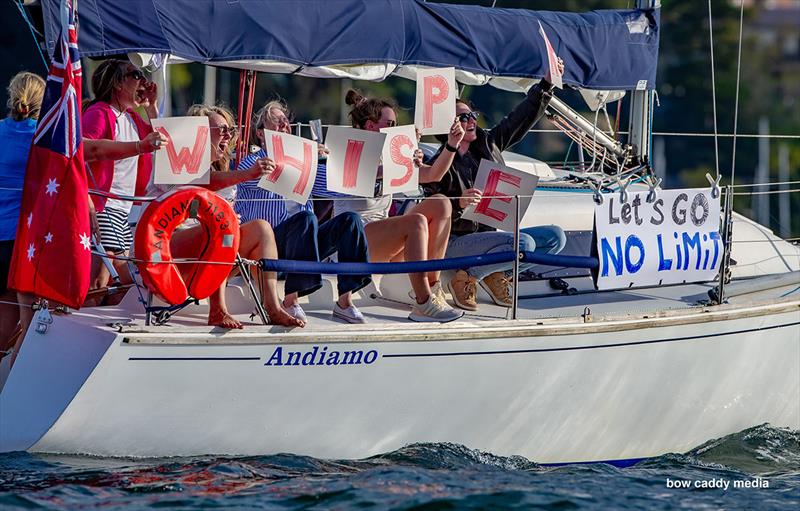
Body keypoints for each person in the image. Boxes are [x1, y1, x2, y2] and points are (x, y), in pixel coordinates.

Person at [425, 72, 567, 311]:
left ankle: (491, 273)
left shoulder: (489, 143)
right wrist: (459, 205)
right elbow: (431, 212)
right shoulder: (439, 162)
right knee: (524, 244)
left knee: (556, 237)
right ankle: (468, 278)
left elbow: (520, 118)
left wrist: (547, 84)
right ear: (448, 126)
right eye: (463, 118)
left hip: (487, 236)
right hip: (455, 241)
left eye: (472, 116)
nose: (471, 122)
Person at [334, 90, 465, 323]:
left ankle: (433, 291)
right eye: (391, 124)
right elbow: (364, 175)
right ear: (371, 126)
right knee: (416, 222)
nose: (396, 128)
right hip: (352, 244)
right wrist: (402, 163)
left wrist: (452, 145)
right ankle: (423, 302)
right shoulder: (348, 152)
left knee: (442, 203)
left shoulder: (389, 158)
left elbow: (434, 174)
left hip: (382, 240)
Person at [236, 99, 371, 324]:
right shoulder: (249, 164)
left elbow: (343, 189)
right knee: (305, 219)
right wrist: (304, 158)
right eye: (277, 123)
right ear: (261, 134)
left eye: (287, 123)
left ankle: (345, 302)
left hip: (302, 243)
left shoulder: (304, 164)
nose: (284, 127)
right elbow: (260, 176)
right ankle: (291, 300)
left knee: (350, 221)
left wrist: (330, 163)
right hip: (266, 249)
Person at [174, 104, 303, 329]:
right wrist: (247, 174)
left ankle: (272, 306)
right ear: (199, 132)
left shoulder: (225, 168)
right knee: (222, 226)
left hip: (214, 252)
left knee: (262, 228)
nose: (227, 135)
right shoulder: (179, 162)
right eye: (220, 130)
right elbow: (205, 181)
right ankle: (217, 310)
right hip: (174, 250)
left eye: (230, 130)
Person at [82, 59, 166, 292]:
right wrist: (140, 146)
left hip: (124, 210)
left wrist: (151, 107)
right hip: (103, 206)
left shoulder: (130, 117)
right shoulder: (99, 112)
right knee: (102, 280)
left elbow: (158, 139)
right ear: (118, 83)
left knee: (118, 283)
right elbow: (86, 149)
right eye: (136, 74)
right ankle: (86, 325)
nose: (143, 80)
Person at [0, 72, 44, 355]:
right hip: (22, 244)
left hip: (0, 243)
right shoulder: (43, 138)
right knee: (28, 331)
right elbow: (93, 150)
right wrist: (140, 146)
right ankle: (14, 399)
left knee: (2, 334)